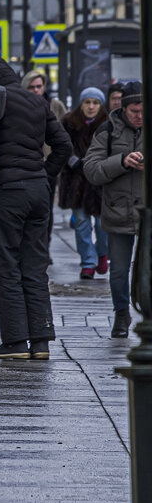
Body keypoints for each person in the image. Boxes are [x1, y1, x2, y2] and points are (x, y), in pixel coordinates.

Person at [0, 56, 71, 359]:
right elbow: (64, 146)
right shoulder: (37, 103)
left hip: (7, 194)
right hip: (38, 195)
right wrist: (43, 176)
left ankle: (15, 342)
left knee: (5, 264)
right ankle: (41, 342)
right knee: (34, 266)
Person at [83, 81, 144, 338]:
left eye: (144, 111)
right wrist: (122, 161)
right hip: (118, 211)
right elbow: (91, 169)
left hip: (147, 213)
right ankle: (122, 313)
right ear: (123, 108)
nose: (140, 116)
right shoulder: (107, 130)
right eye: (134, 111)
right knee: (118, 271)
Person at [59, 87, 109, 280]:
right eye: (87, 102)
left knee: (103, 224)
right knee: (81, 223)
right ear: (81, 103)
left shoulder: (108, 123)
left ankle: (102, 253)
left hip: (101, 182)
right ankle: (88, 263)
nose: (90, 106)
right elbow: (61, 145)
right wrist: (71, 160)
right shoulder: (68, 123)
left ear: (100, 105)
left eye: (95, 103)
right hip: (76, 181)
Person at [22, 69, 67, 254]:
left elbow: (65, 134)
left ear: (44, 87)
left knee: (46, 211)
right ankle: (29, 248)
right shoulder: (21, 107)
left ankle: (43, 249)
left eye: (39, 86)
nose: (36, 90)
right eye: (31, 87)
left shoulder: (55, 106)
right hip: (26, 166)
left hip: (48, 165)